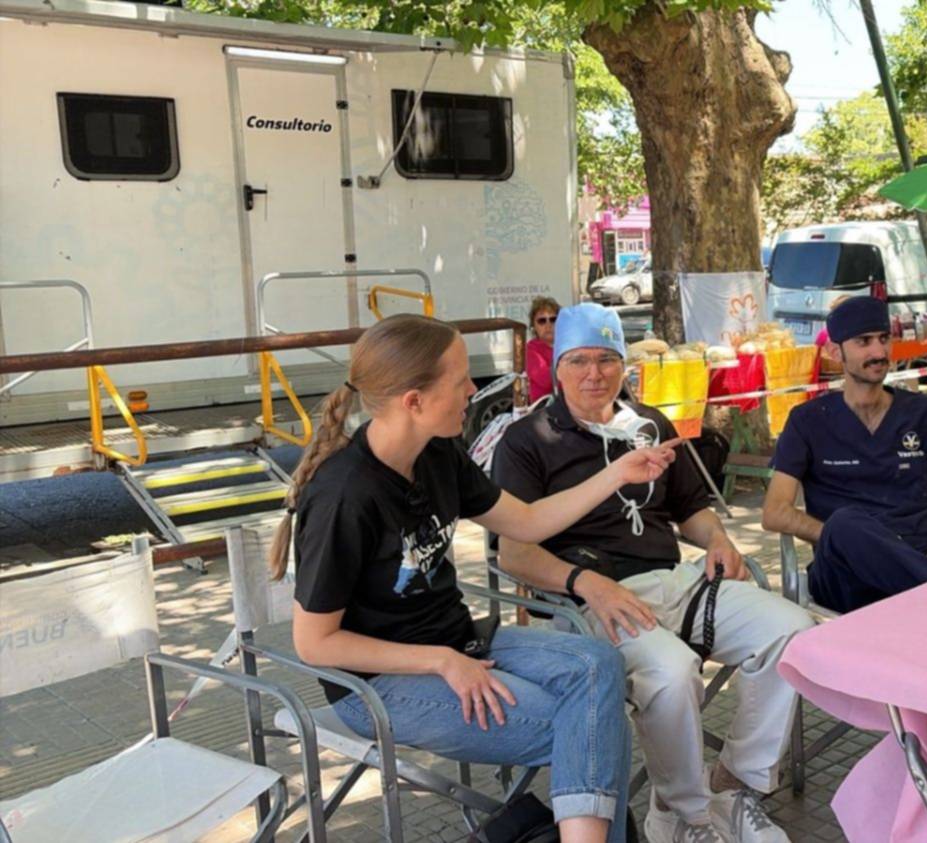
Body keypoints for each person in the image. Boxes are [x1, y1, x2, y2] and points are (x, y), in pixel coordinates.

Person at [273, 314, 680, 843]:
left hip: (460, 642)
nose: (473, 390)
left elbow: (527, 522)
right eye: (460, 379)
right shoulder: (345, 496)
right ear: (413, 401)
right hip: (377, 683)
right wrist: (441, 661)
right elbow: (315, 643)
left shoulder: (438, 453)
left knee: (599, 662)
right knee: (589, 726)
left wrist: (616, 474)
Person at [494, 303, 815, 843]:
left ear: (624, 364)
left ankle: (731, 787)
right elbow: (514, 555)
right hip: (586, 598)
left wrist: (717, 539)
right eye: (578, 361)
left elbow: (690, 507)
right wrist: (587, 584)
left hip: (672, 578)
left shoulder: (648, 424)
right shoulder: (527, 439)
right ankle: (687, 818)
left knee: (793, 631)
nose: (593, 374)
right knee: (670, 670)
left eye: (606, 359)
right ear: (556, 366)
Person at [761, 295, 927, 614]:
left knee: (851, 527)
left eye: (884, 339)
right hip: (844, 577)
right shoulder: (807, 421)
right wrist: (839, 539)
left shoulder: (926, 415)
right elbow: (774, 512)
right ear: (834, 351)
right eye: (863, 341)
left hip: (922, 557)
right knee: (845, 523)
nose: (879, 352)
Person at [527, 296, 562, 403]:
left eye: (553, 319)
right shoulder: (530, 349)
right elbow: (546, 380)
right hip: (544, 408)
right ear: (534, 326)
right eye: (542, 321)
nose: (548, 325)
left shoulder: (568, 345)